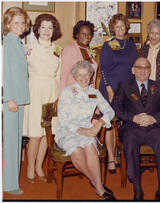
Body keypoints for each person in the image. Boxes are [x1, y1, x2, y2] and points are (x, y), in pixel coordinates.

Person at [112, 57, 160, 200]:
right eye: (139, 68)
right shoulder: (124, 86)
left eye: (146, 68)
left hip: (155, 127)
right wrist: (133, 117)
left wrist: (154, 118)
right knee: (130, 141)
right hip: (132, 127)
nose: (142, 71)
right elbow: (116, 107)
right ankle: (137, 189)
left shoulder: (159, 86)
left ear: (150, 70)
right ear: (133, 70)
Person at [55, 61, 116, 200]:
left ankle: (97, 184)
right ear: (74, 76)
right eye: (80, 75)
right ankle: (98, 185)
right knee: (77, 151)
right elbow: (63, 119)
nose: (83, 78)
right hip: (67, 130)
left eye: (86, 74)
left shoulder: (94, 93)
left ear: (91, 75)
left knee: (90, 147)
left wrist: (98, 124)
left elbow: (109, 111)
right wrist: (82, 131)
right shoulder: (67, 91)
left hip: (88, 129)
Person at [23, 14, 62, 184]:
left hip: (52, 92)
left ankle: (40, 166)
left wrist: (58, 97)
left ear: (54, 30)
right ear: (37, 29)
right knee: (35, 135)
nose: (46, 31)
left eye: (50, 27)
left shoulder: (58, 49)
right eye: (43, 27)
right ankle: (30, 167)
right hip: (34, 92)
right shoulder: (28, 48)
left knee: (47, 134)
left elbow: (59, 75)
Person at [99, 13, 137, 173]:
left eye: (123, 25)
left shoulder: (131, 46)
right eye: (117, 26)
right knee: (109, 122)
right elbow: (104, 69)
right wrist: (109, 89)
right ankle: (111, 159)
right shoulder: (108, 45)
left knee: (122, 122)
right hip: (109, 88)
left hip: (125, 89)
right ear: (112, 28)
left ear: (126, 27)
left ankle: (120, 154)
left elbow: (133, 69)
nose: (120, 28)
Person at [3, 7, 31, 195]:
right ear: (7, 24)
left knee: (16, 140)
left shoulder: (17, 42)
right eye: (16, 23)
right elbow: (6, 73)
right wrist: (10, 98)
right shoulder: (8, 42)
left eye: (22, 22)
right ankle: (9, 184)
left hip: (19, 97)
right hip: (12, 99)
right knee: (11, 142)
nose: (20, 26)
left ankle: (12, 179)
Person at [60, 20, 98, 90]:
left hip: (88, 92)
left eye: (89, 34)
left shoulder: (90, 51)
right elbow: (64, 75)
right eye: (83, 33)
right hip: (73, 92)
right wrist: (62, 96)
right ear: (77, 35)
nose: (86, 36)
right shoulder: (70, 50)